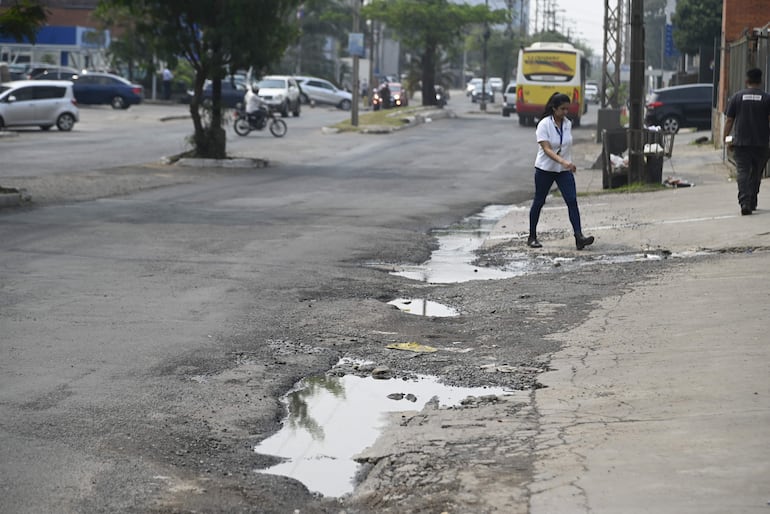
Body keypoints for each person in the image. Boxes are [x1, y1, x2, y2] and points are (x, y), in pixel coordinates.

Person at [527, 92, 594, 250]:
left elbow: (565, 145)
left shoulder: (567, 123)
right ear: (554, 108)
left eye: (567, 109)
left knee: (572, 200)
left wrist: (568, 163)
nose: (566, 112)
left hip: (564, 170)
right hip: (545, 169)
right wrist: (563, 161)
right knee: (539, 201)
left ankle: (579, 237)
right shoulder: (544, 124)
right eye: (562, 109)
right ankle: (532, 236)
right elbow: (547, 149)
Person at [723, 67, 770, 215]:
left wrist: (726, 139)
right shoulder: (767, 98)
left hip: (741, 143)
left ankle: (745, 202)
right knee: (756, 174)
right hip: (761, 143)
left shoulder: (737, 97)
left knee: (742, 172)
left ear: (746, 80)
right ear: (761, 81)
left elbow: (729, 120)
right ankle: (752, 199)